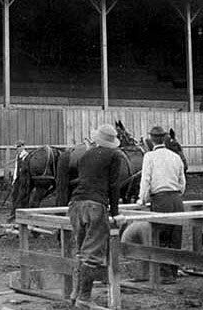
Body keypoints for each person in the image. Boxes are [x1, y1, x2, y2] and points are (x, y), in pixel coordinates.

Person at [69, 124, 127, 306]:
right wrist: (115, 213)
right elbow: (114, 186)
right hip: (96, 205)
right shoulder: (115, 155)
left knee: (80, 251)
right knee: (92, 254)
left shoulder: (85, 155)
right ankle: (84, 299)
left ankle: (75, 294)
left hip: (76, 204)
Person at [136, 126, 186, 284]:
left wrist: (142, 199)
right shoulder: (175, 157)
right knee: (175, 236)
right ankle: (173, 272)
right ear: (164, 138)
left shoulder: (149, 157)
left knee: (162, 236)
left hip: (161, 199)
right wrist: (177, 194)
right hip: (177, 199)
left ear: (151, 139)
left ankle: (165, 274)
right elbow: (182, 182)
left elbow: (145, 180)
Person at [7, 140, 30, 223]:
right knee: (14, 195)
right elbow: (16, 168)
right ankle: (14, 213)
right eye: (16, 148)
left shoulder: (26, 156)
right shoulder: (18, 156)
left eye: (18, 147)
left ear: (22, 147)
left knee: (22, 197)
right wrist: (14, 179)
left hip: (23, 179)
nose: (17, 149)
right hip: (18, 179)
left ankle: (19, 214)